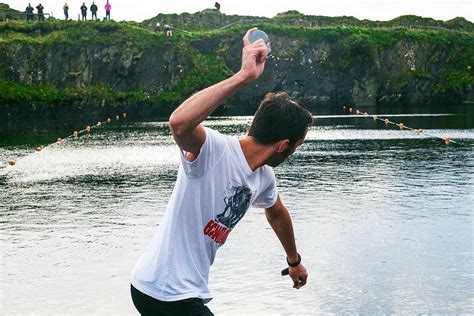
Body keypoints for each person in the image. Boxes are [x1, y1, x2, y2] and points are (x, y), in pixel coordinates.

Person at [131, 28, 311, 315]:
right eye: (297, 146)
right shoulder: (214, 150)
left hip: (184, 290)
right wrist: (244, 77)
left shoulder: (263, 178)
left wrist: (293, 260)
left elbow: (276, 211)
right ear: (283, 145)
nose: (294, 152)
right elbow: (178, 123)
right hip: (164, 289)